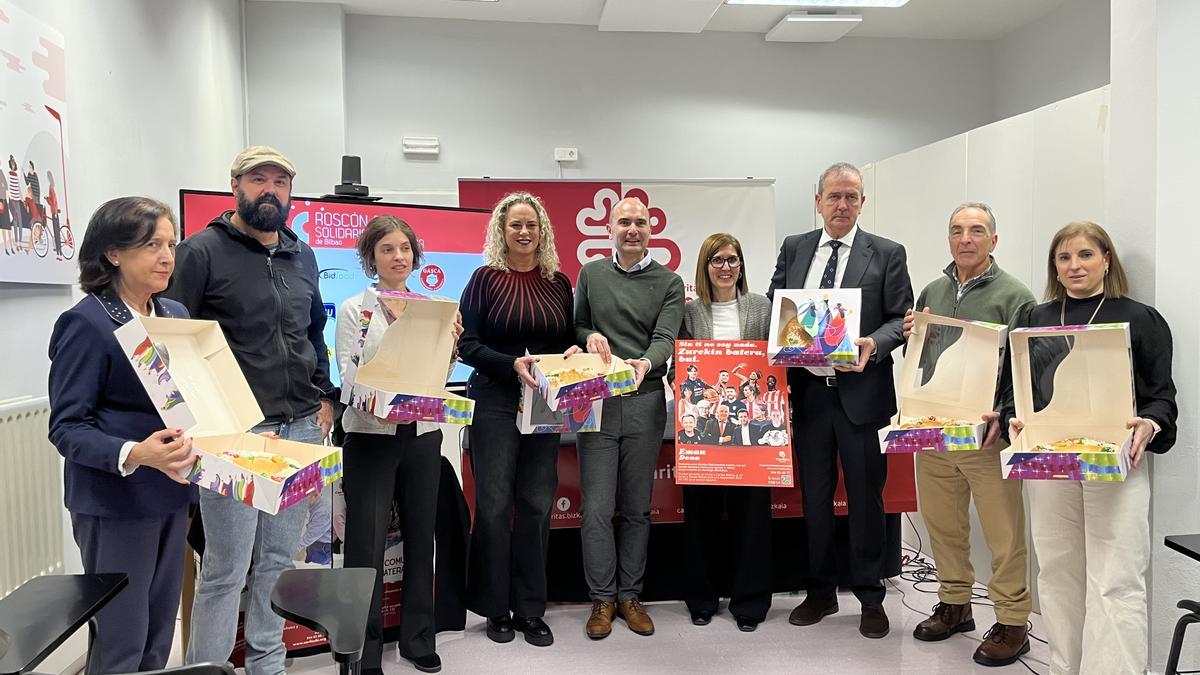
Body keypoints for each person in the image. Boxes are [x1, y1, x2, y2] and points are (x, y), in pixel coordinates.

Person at [167, 146, 336, 675]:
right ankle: (208, 670)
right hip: (234, 434)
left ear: (291, 191)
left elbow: (313, 333)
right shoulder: (200, 252)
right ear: (235, 186)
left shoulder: (301, 253)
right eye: (258, 179)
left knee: (277, 564)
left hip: (301, 428)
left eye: (280, 182)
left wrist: (325, 394)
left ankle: (268, 664)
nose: (270, 190)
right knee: (224, 568)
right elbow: (175, 337)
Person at [999, 221, 1176, 675]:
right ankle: (1065, 668)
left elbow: (1162, 397)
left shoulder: (1140, 318)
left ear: (1106, 260)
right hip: (1049, 463)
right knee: (1057, 573)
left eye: (1084, 255)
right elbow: (1014, 394)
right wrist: (1014, 420)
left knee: (1115, 580)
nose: (1074, 266)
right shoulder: (1035, 319)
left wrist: (1151, 423)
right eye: (1064, 258)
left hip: (1116, 463)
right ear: (1054, 268)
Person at [47, 197, 195, 674]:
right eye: (152, 244)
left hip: (172, 492)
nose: (167, 256)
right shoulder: (86, 323)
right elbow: (67, 427)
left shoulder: (172, 312)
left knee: (158, 632)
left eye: (170, 244)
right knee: (121, 638)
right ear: (113, 253)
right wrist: (135, 453)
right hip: (116, 502)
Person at [768, 162, 912, 639]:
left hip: (861, 395)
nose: (842, 205)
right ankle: (821, 590)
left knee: (867, 498)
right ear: (818, 200)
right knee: (814, 496)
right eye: (834, 196)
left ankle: (870, 595)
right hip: (809, 394)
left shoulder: (888, 253)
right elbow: (775, 305)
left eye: (851, 197)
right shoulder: (795, 248)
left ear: (862, 203)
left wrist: (872, 343)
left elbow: (900, 319)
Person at [899, 203, 1036, 666]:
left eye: (977, 230)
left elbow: (1027, 366)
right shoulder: (933, 290)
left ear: (993, 240)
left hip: (986, 437)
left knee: (1004, 533)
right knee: (943, 524)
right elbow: (922, 359)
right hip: (935, 433)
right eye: (957, 230)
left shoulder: (1016, 296)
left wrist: (1003, 413)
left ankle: (1014, 620)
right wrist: (911, 334)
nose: (966, 239)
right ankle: (955, 603)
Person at [336, 216, 454, 674]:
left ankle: (418, 637)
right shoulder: (354, 310)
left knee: (422, 535)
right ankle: (362, 651)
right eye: (387, 249)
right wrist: (380, 398)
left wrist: (451, 349)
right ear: (371, 258)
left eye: (405, 248)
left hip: (422, 435)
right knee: (365, 545)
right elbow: (349, 376)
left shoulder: (432, 308)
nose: (398, 256)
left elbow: (436, 379)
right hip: (370, 434)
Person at [457, 192, 576, 649]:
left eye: (531, 225)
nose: (524, 232)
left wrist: (571, 352)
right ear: (501, 232)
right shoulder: (485, 279)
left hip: (544, 402)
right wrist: (510, 365)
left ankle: (530, 609)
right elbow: (467, 344)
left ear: (542, 230)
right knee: (491, 505)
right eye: (514, 225)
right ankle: (495, 608)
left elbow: (567, 339)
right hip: (495, 400)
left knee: (536, 505)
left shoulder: (557, 283)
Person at [574, 197, 684, 639]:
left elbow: (665, 338)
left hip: (644, 399)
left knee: (637, 509)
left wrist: (644, 363)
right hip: (596, 400)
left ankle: (630, 596)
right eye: (624, 222)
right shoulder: (591, 274)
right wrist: (590, 335)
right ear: (610, 229)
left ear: (651, 229)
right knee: (596, 509)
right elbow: (578, 325)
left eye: (640, 222)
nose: (632, 229)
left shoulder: (670, 281)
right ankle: (602, 600)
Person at [676, 232, 774, 630]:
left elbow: (777, 360)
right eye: (717, 260)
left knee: (752, 516)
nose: (726, 267)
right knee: (700, 515)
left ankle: (749, 603)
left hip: (749, 426)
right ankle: (702, 599)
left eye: (733, 259)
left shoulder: (762, 308)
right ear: (704, 266)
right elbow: (676, 366)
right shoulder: (689, 312)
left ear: (741, 265)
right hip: (704, 428)